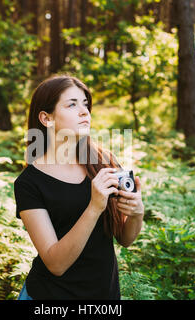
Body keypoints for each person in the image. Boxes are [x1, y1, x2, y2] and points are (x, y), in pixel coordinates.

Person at [14, 74, 144, 300]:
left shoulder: (104, 161)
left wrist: (137, 212)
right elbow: (56, 264)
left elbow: (125, 238)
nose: (84, 111)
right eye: (72, 104)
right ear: (46, 118)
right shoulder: (29, 183)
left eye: (85, 104)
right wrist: (94, 207)